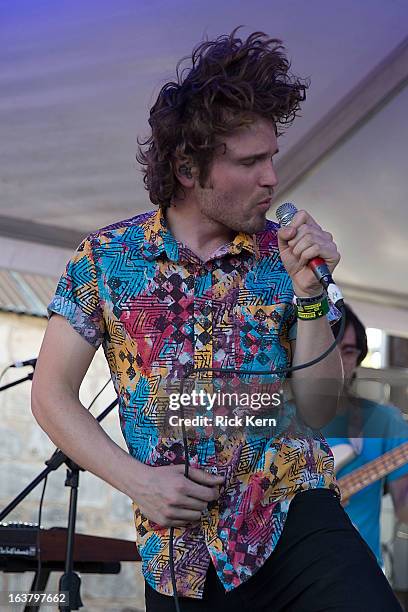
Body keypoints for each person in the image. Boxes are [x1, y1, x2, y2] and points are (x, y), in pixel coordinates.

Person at [31, 29, 402, 611]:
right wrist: (137, 481)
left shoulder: (286, 256)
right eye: (251, 161)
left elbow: (321, 407)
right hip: (185, 553)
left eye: (273, 157)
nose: (272, 178)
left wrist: (308, 295)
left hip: (294, 513)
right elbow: (50, 394)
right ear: (186, 167)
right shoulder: (106, 258)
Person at [325, 304, 408, 567]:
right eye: (327, 348)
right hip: (288, 576)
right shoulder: (273, 419)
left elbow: (404, 510)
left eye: (348, 351)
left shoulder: (386, 421)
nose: (339, 362)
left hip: (359, 573)